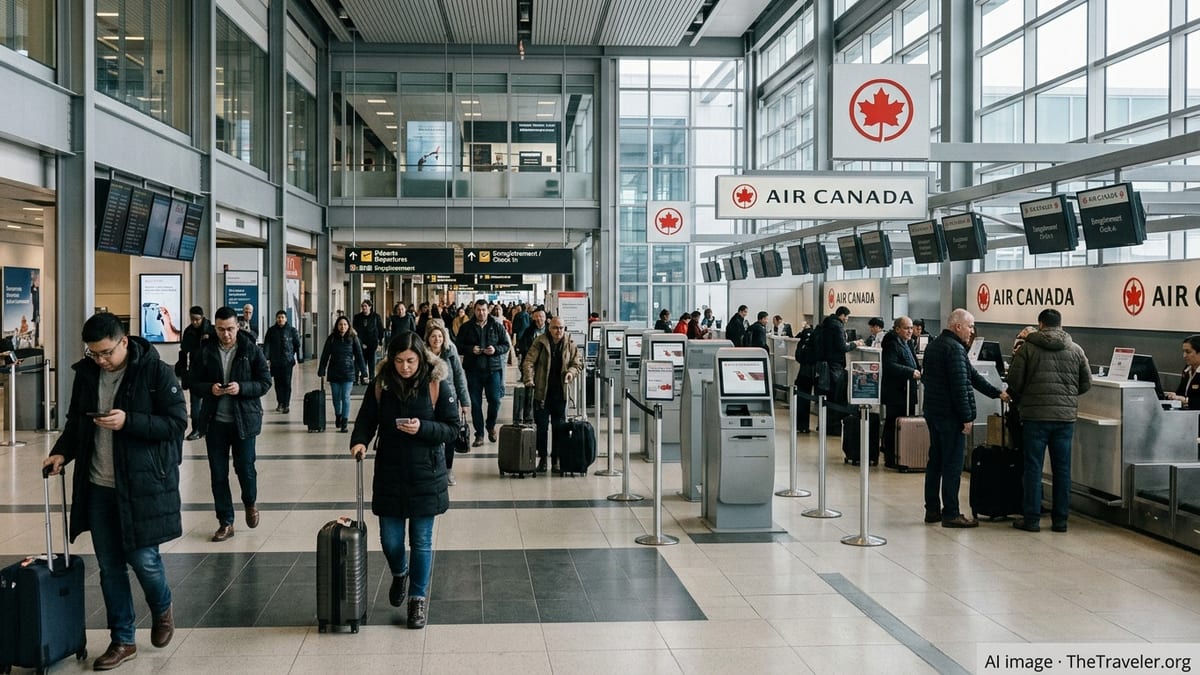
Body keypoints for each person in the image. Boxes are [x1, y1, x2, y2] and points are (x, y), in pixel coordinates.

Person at [42, 312, 186, 670]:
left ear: (124, 341)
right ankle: (123, 639)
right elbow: (77, 421)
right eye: (94, 353)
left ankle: (162, 605)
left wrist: (129, 421)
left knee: (145, 560)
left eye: (106, 352)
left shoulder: (155, 373)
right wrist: (62, 450)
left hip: (142, 485)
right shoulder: (88, 374)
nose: (101, 360)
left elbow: (176, 424)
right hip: (99, 486)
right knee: (109, 567)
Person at [349, 331, 459, 630]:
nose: (405, 367)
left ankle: (417, 600)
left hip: (427, 473)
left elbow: (452, 429)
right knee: (391, 540)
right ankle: (400, 571)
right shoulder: (382, 384)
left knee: (421, 541)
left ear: (421, 358)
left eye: (411, 361)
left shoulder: (437, 383)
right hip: (390, 471)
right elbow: (365, 420)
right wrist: (359, 441)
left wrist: (423, 428)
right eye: (399, 360)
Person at [190, 306, 273, 542]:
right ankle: (225, 521)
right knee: (218, 473)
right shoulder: (205, 351)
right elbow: (193, 382)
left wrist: (242, 388)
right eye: (220, 329)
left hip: (244, 420)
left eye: (229, 329)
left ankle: (250, 502)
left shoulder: (250, 349)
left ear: (238, 326)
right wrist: (210, 389)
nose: (225, 334)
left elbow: (265, 382)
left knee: (245, 468)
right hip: (215, 421)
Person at [921, 308, 1008, 528]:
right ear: (957, 326)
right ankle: (951, 513)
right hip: (951, 417)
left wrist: (997, 392)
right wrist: (967, 417)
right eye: (970, 326)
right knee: (952, 465)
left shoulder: (935, 346)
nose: (972, 331)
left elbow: (971, 376)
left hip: (933, 412)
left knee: (936, 462)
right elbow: (961, 386)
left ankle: (932, 509)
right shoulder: (954, 349)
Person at [1006, 309, 1091, 533]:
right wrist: (1067, 397)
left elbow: (1014, 381)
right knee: (1062, 470)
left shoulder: (1027, 348)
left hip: (1034, 418)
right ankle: (1060, 521)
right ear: (1060, 324)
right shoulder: (1076, 349)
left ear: (1040, 324)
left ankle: (1032, 519)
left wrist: (1027, 396)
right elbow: (1086, 383)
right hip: (1064, 419)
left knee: (1033, 468)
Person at [521, 316, 583, 475]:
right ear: (549, 328)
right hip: (542, 392)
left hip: (560, 394)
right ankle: (542, 458)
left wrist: (571, 372)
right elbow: (528, 361)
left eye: (561, 328)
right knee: (541, 428)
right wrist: (528, 379)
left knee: (559, 428)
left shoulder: (570, 344)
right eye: (555, 328)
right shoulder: (540, 342)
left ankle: (556, 459)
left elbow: (578, 363)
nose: (558, 331)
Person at [457, 299, 511, 447]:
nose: (481, 313)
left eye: (484, 310)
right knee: (475, 403)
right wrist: (470, 349)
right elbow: (458, 345)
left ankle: (491, 425)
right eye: (478, 310)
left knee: (495, 400)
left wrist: (495, 350)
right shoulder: (466, 327)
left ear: (488, 310)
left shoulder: (497, 326)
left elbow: (506, 345)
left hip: (493, 370)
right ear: (474, 311)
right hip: (473, 371)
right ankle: (479, 434)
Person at [424, 319, 471, 486]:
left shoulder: (451, 351)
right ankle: (433, 468)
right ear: (428, 338)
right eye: (433, 336)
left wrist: (465, 402)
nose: (437, 339)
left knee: (450, 434)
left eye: (439, 336)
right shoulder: (422, 354)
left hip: (449, 398)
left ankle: (448, 470)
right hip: (428, 399)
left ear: (444, 337)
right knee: (431, 434)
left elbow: (459, 376)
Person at [817, 306, 865, 436]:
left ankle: (823, 424)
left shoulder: (825, 324)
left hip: (825, 364)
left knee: (828, 396)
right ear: (843, 315)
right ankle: (833, 426)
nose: (847, 320)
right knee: (837, 396)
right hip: (835, 365)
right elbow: (842, 346)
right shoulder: (837, 326)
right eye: (847, 317)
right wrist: (855, 344)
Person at [880, 316, 920, 468]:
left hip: (907, 392)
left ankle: (902, 454)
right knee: (893, 424)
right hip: (896, 393)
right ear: (897, 329)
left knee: (903, 424)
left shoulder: (907, 343)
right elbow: (890, 365)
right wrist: (910, 372)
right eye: (906, 328)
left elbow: (914, 363)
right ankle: (891, 457)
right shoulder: (892, 343)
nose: (910, 331)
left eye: (911, 328)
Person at [318, 315, 369, 433]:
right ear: (337, 326)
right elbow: (325, 355)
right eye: (340, 324)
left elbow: (359, 356)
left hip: (348, 372)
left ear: (348, 326)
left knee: (345, 397)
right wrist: (322, 369)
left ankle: (344, 422)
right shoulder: (331, 338)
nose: (343, 327)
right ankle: (338, 415)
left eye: (345, 324)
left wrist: (364, 371)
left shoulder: (353, 338)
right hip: (334, 372)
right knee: (336, 397)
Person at [177, 306, 216, 441]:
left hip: (210, 372)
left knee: (210, 402)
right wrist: (184, 374)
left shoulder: (211, 330)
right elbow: (183, 353)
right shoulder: (188, 332)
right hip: (195, 372)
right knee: (195, 404)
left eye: (197, 319)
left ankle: (209, 428)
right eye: (192, 319)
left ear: (202, 317)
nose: (194, 322)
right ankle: (196, 429)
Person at [263, 310, 302, 413]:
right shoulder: (271, 331)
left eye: (282, 317)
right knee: (278, 383)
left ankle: (286, 404)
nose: (280, 319)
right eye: (279, 317)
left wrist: (299, 357)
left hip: (287, 362)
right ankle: (280, 403)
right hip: (275, 362)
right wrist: (266, 359)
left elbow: (297, 344)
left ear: (286, 319)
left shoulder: (292, 330)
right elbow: (267, 345)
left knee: (287, 384)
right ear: (276, 319)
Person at [1167, 334, 1200, 410]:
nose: (1184, 355)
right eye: (1184, 351)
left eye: (1188, 352)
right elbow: (1181, 393)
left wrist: (1186, 401)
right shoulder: (1187, 370)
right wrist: (1174, 396)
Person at [353, 300, 386, 375]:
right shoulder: (357, 317)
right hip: (361, 342)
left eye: (365, 306)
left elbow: (380, 329)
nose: (364, 308)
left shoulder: (376, 317)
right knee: (360, 361)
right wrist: (360, 343)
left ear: (370, 307)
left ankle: (371, 378)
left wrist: (380, 342)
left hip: (372, 343)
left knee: (372, 362)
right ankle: (361, 377)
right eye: (362, 306)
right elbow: (355, 331)